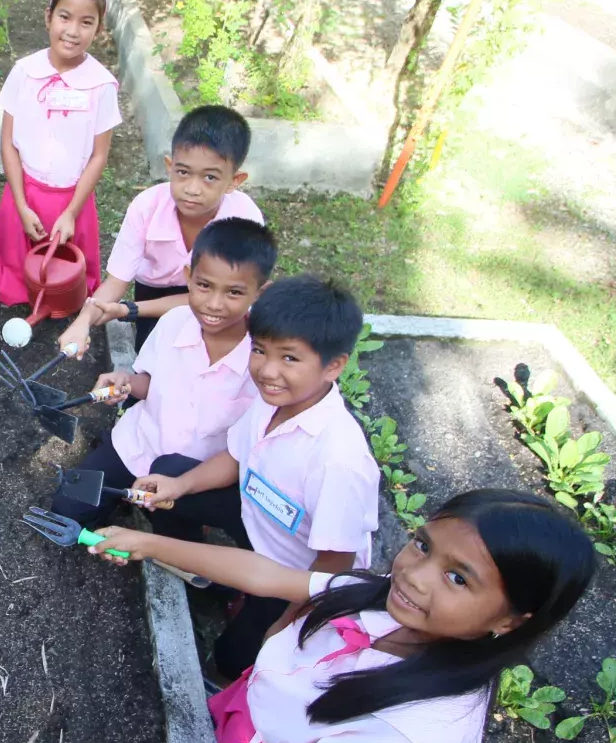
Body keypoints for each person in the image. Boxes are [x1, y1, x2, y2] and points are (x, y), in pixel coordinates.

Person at [88, 489, 595, 743]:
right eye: (422, 545)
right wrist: (149, 542)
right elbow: (265, 576)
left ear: (510, 621)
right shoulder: (380, 597)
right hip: (256, 720)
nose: (416, 575)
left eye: (459, 578)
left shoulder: (411, 735)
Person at [134, 275, 378, 679]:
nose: (267, 370)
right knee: (170, 474)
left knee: (233, 660)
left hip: (293, 572)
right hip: (254, 515)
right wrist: (180, 486)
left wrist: (286, 626)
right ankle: (205, 577)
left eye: (290, 358)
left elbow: (330, 573)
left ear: (334, 365)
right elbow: (234, 456)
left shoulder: (339, 461)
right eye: (260, 350)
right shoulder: (274, 400)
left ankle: (242, 598)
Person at [49, 219, 273, 530]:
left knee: (177, 543)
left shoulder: (263, 362)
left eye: (234, 292)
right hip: (137, 444)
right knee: (66, 514)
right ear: (188, 277)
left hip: (189, 476)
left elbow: (244, 451)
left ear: (260, 294)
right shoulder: (173, 322)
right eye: (204, 286)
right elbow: (149, 384)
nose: (214, 304)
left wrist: (189, 486)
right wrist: (126, 383)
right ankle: (126, 496)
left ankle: (155, 514)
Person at [59, 105, 265, 354]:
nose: (192, 188)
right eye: (183, 172)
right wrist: (84, 320)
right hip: (154, 291)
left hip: (218, 298)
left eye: (209, 177)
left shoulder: (244, 218)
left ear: (234, 181)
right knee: (149, 356)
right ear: (170, 166)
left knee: (204, 356)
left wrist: (130, 309)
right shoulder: (146, 207)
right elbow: (116, 282)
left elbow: (223, 296)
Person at [0, 0, 120, 305]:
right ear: (48, 16)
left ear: (98, 29)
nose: (72, 31)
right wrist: (22, 205)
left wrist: (71, 212)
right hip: (25, 194)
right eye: (64, 17)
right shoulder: (25, 72)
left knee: (65, 279)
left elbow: (99, 155)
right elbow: (9, 142)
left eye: (86, 22)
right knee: (18, 272)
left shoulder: (101, 85)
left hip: (73, 201)